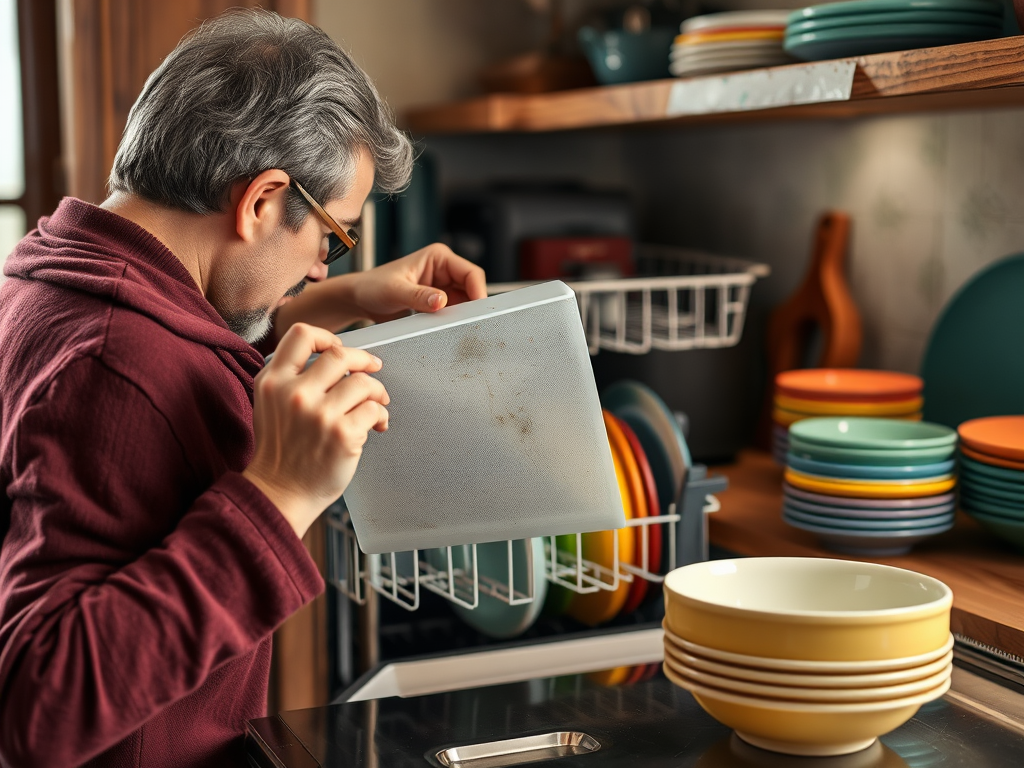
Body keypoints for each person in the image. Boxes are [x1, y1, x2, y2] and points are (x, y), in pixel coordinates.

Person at [0, 9, 485, 768]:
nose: (325, 264)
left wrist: (342, 299)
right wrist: (281, 494)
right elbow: (38, 709)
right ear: (262, 201)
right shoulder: (113, 367)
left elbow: (183, 330)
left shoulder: (54, 275)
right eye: (333, 236)